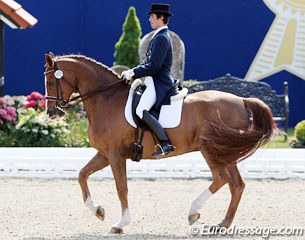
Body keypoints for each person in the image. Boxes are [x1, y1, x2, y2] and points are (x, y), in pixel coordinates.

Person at [121, 3, 175, 157]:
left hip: (159, 82)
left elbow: (154, 66)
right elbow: (147, 63)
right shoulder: (158, 36)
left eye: (152, 17)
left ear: (161, 18)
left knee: (140, 110)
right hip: (152, 80)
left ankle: (165, 144)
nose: (150, 20)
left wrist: (134, 73)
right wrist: (132, 71)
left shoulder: (162, 37)